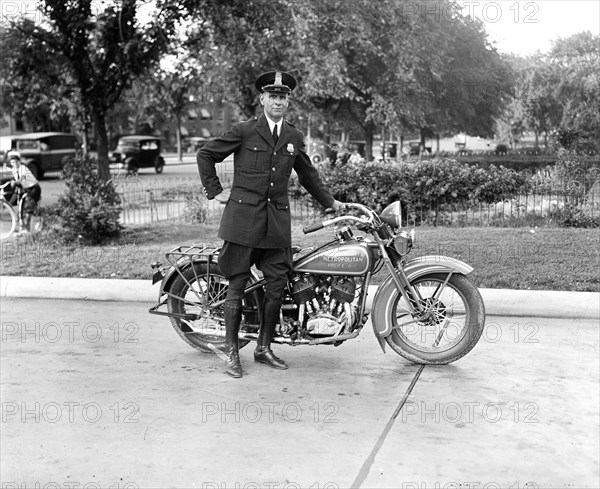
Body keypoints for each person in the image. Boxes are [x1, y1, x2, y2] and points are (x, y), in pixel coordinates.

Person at [197, 71, 343, 378]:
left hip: (276, 224)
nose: (278, 101)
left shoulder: (293, 136)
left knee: (277, 287)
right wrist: (216, 191)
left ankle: (263, 348)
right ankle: (232, 353)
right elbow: (206, 154)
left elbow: (308, 175)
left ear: (289, 101)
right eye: (272, 96)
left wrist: (331, 203)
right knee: (236, 285)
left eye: (283, 96)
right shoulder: (245, 130)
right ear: (263, 99)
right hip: (242, 222)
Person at [8, 152, 41, 233]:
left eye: (16, 161)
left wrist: (16, 182)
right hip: (25, 189)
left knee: (28, 207)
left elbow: (22, 178)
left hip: (33, 188)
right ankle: (21, 226)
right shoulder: (14, 170)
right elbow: (15, 180)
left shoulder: (22, 168)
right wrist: (13, 182)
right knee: (19, 206)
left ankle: (28, 227)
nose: (14, 164)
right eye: (12, 162)